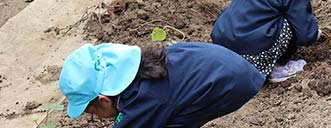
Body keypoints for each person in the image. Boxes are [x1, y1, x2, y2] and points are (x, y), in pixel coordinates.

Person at [59, 42, 264, 126]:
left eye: (92, 112)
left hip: (233, 83)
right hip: (226, 65)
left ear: (103, 100)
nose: (96, 118)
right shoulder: (141, 68)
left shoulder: (144, 101)